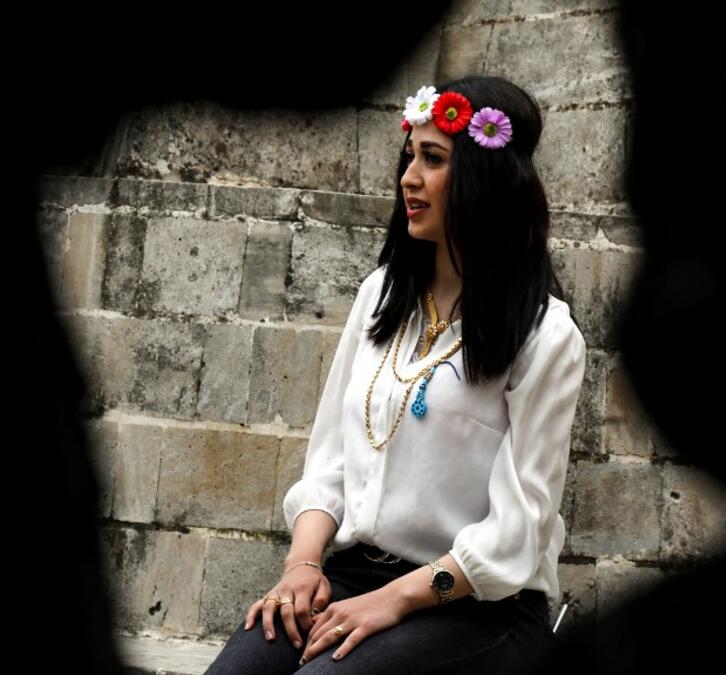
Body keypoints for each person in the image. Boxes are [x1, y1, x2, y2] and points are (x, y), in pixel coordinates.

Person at [203, 75, 587, 674]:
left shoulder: (546, 335)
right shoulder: (381, 295)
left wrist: (393, 602)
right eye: (410, 156)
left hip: (477, 601)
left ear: (485, 178)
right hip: (354, 575)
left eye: (432, 159)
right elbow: (329, 460)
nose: (409, 178)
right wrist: (302, 568)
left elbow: (518, 532)